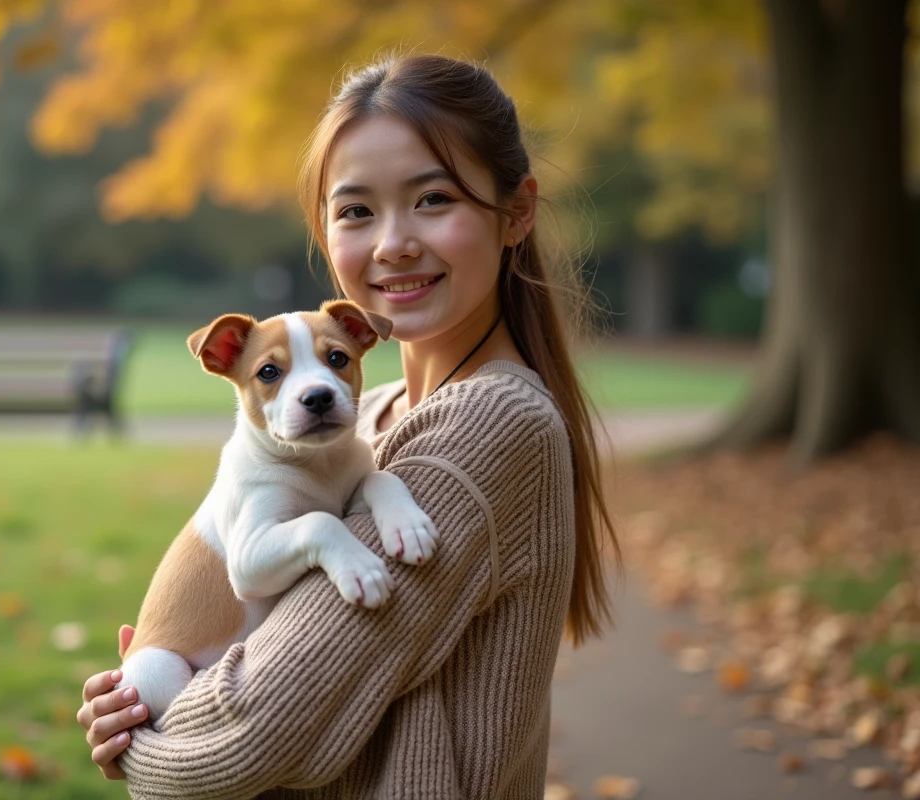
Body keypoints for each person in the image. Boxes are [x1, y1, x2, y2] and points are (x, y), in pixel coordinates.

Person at [76, 53, 618, 799]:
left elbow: (255, 729)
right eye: (357, 210)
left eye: (433, 199)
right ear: (325, 231)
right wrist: (137, 700)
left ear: (516, 213)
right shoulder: (371, 415)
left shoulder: (492, 425)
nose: (392, 242)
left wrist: (139, 744)